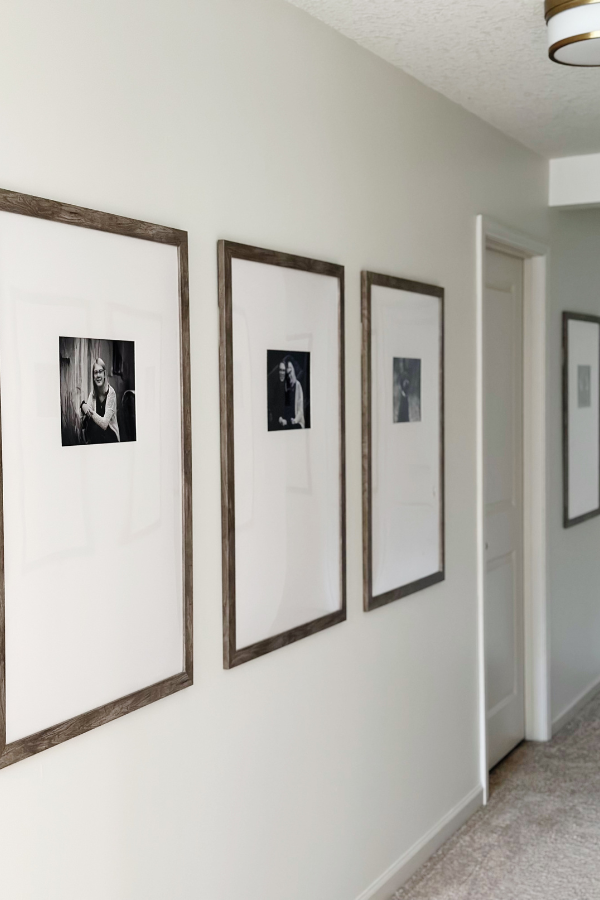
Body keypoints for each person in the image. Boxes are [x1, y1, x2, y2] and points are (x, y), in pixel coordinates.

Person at [80, 358, 120, 443]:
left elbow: (104, 424)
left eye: (100, 371)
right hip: (97, 437)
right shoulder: (93, 394)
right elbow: (86, 413)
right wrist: (83, 405)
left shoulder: (111, 393)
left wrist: (87, 408)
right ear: (93, 376)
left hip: (110, 438)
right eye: (95, 372)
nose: (98, 375)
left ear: (104, 373)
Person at [285, 359, 305, 429]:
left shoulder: (298, 385)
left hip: (297, 422)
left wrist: (295, 420)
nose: (289, 375)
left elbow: (300, 410)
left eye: (290, 372)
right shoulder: (286, 388)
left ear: (293, 370)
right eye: (287, 374)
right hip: (289, 423)